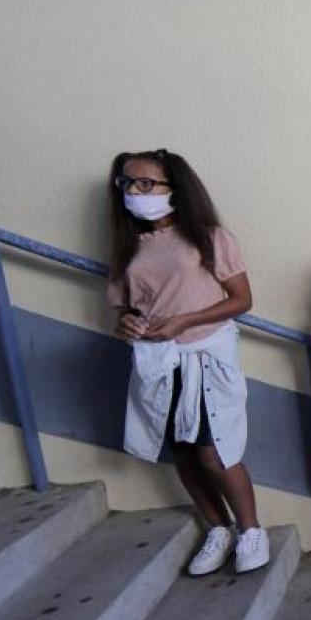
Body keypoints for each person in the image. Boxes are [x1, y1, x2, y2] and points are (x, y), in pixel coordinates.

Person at [107, 149, 269, 576]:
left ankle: (251, 530)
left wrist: (186, 320)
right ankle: (218, 528)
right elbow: (125, 308)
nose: (135, 191)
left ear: (174, 189)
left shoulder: (209, 238)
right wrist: (126, 324)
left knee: (214, 450)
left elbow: (241, 300)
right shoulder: (128, 248)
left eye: (146, 183)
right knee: (182, 451)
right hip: (158, 359)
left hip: (206, 355)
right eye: (127, 183)